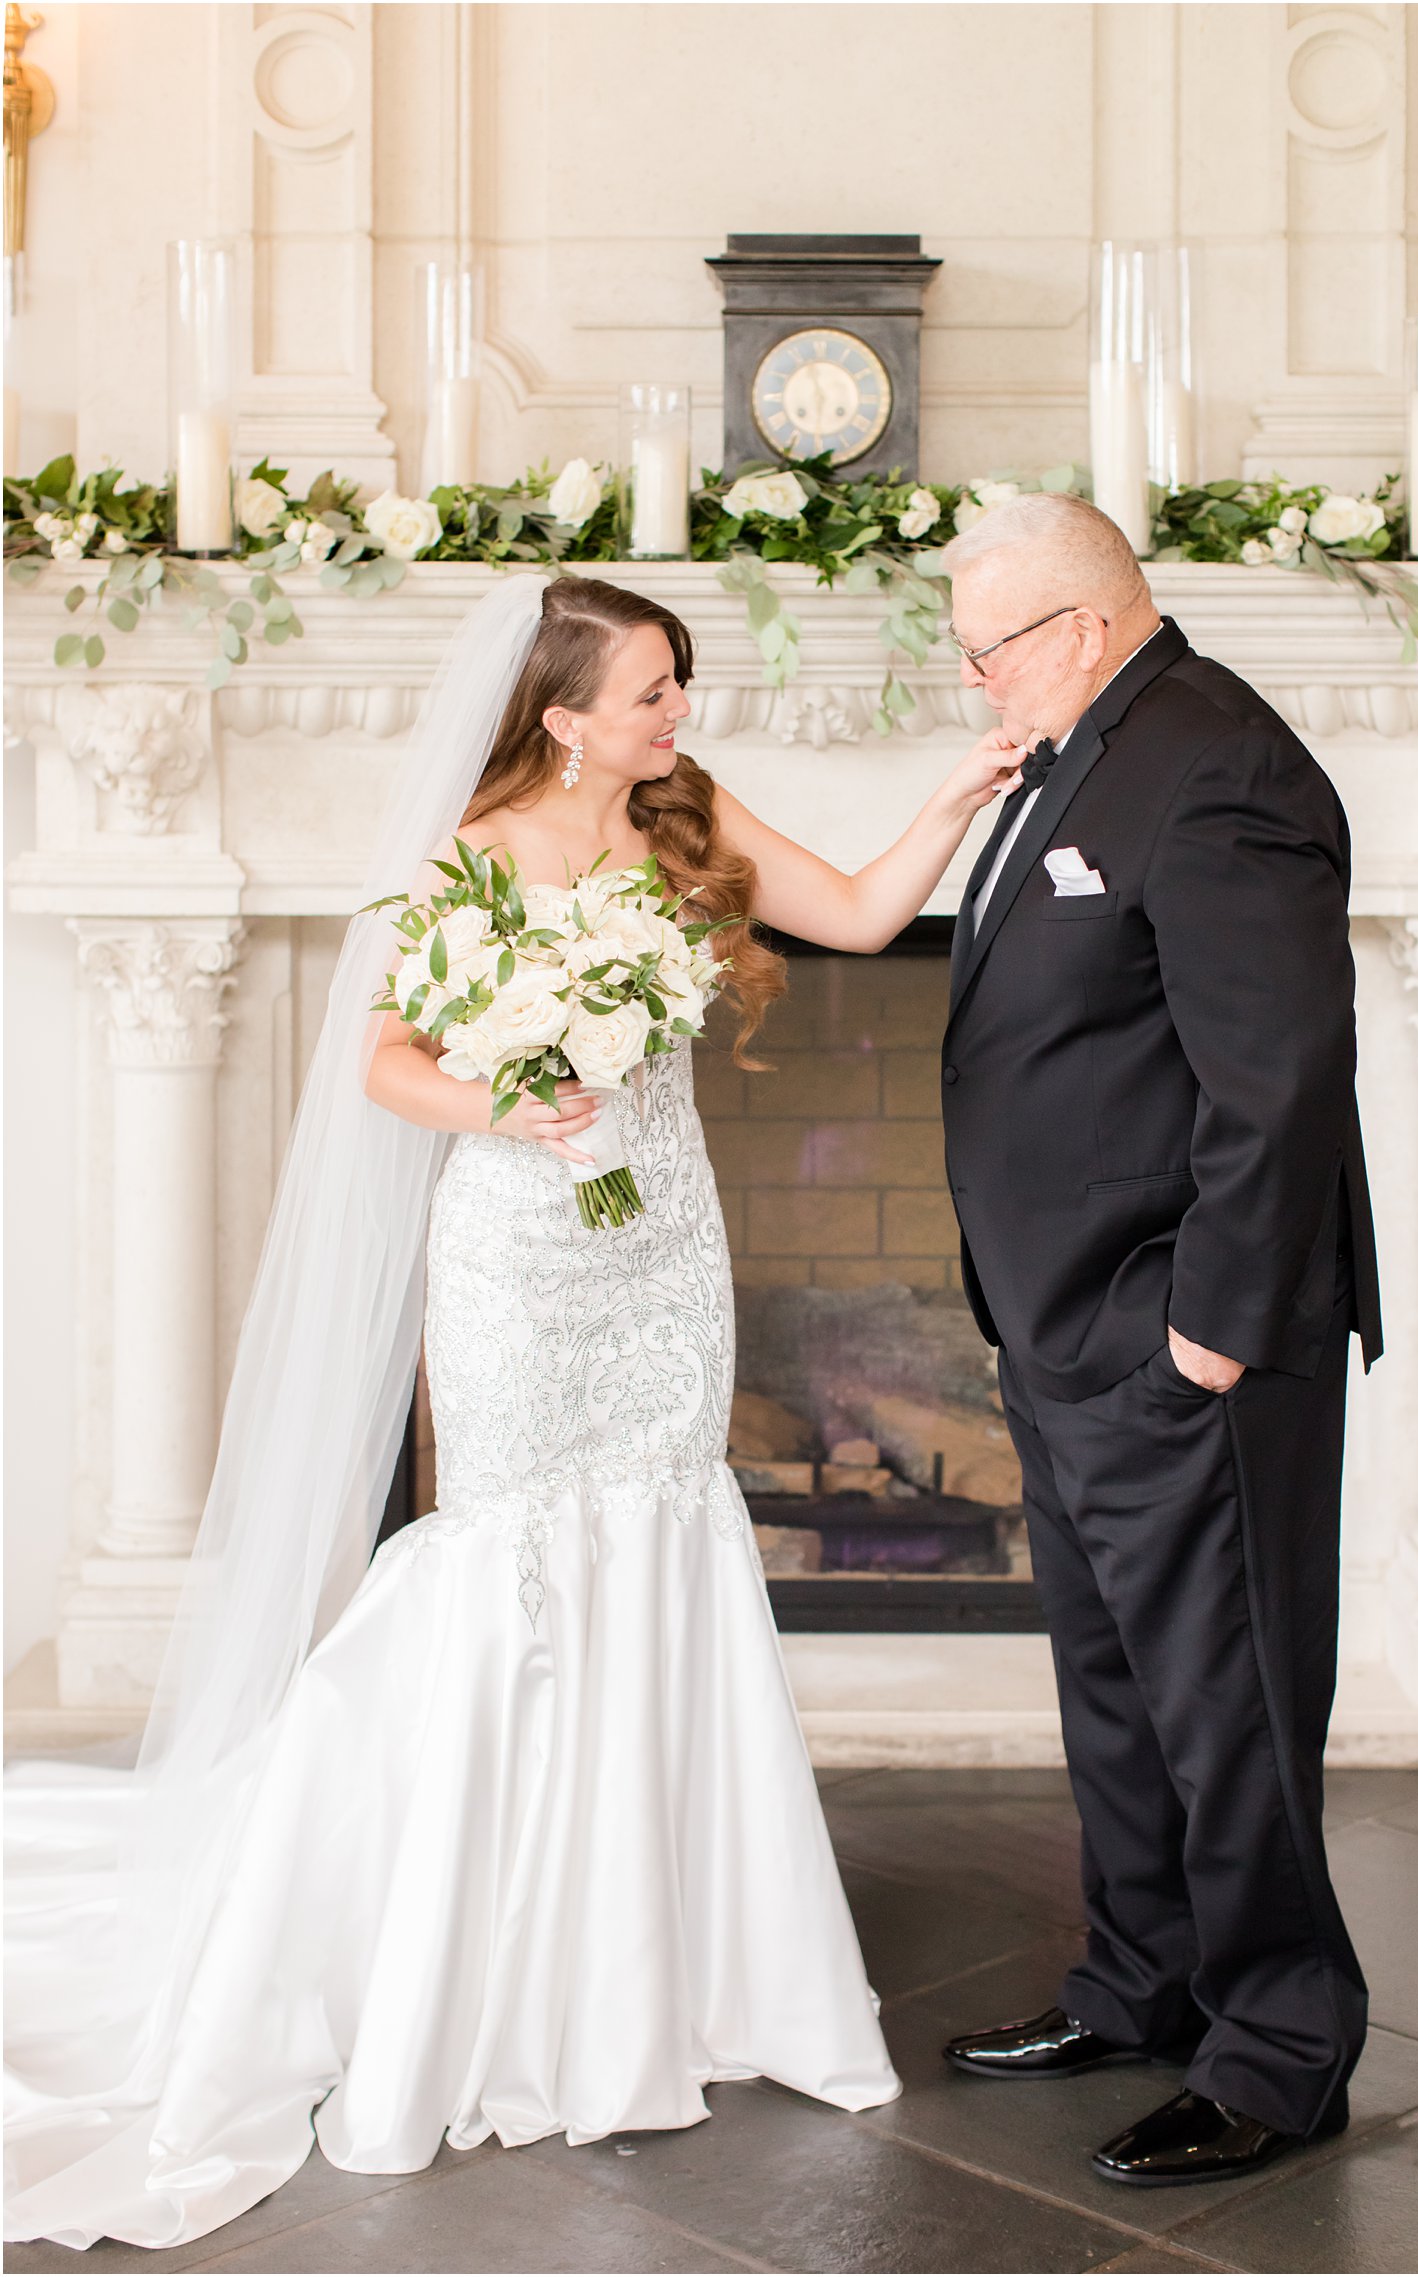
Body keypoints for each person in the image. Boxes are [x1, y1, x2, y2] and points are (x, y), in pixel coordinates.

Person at [5, 572, 1021, 2252]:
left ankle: (671, 1962)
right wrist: (515, 1097)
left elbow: (849, 913)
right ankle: (475, 1951)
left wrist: (943, 807)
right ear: (561, 713)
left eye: (680, 683)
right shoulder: (469, 850)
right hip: (516, 1249)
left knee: (666, 1534)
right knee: (511, 1558)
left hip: (665, 1250)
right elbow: (390, 1060)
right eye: (648, 690)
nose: (676, 711)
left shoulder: (688, 818)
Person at [935, 492, 1382, 2188]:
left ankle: (1279, 2048)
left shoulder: (1219, 766)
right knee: (1119, 1697)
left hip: (1179, 1333)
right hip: (1063, 1329)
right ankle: (1144, 1977)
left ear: (1086, 624)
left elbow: (1276, 1085)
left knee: (1228, 1704)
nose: (979, 683)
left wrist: (1204, 1337)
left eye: (992, 650)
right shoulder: (1084, 750)